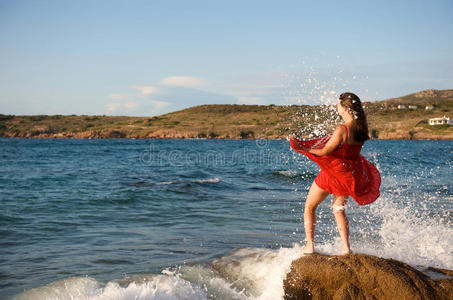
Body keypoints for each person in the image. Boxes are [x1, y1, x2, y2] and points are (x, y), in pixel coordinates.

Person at [289, 92, 381, 255]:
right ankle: (346, 248)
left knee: (309, 206)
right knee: (338, 209)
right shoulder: (361, 128)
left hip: (333, 173)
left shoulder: (342, 129)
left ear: (345, 108)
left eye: (338, 104)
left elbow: (325, 151)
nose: (336, 107)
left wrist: (302, 148)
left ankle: (310, 245)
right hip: (349, 175)